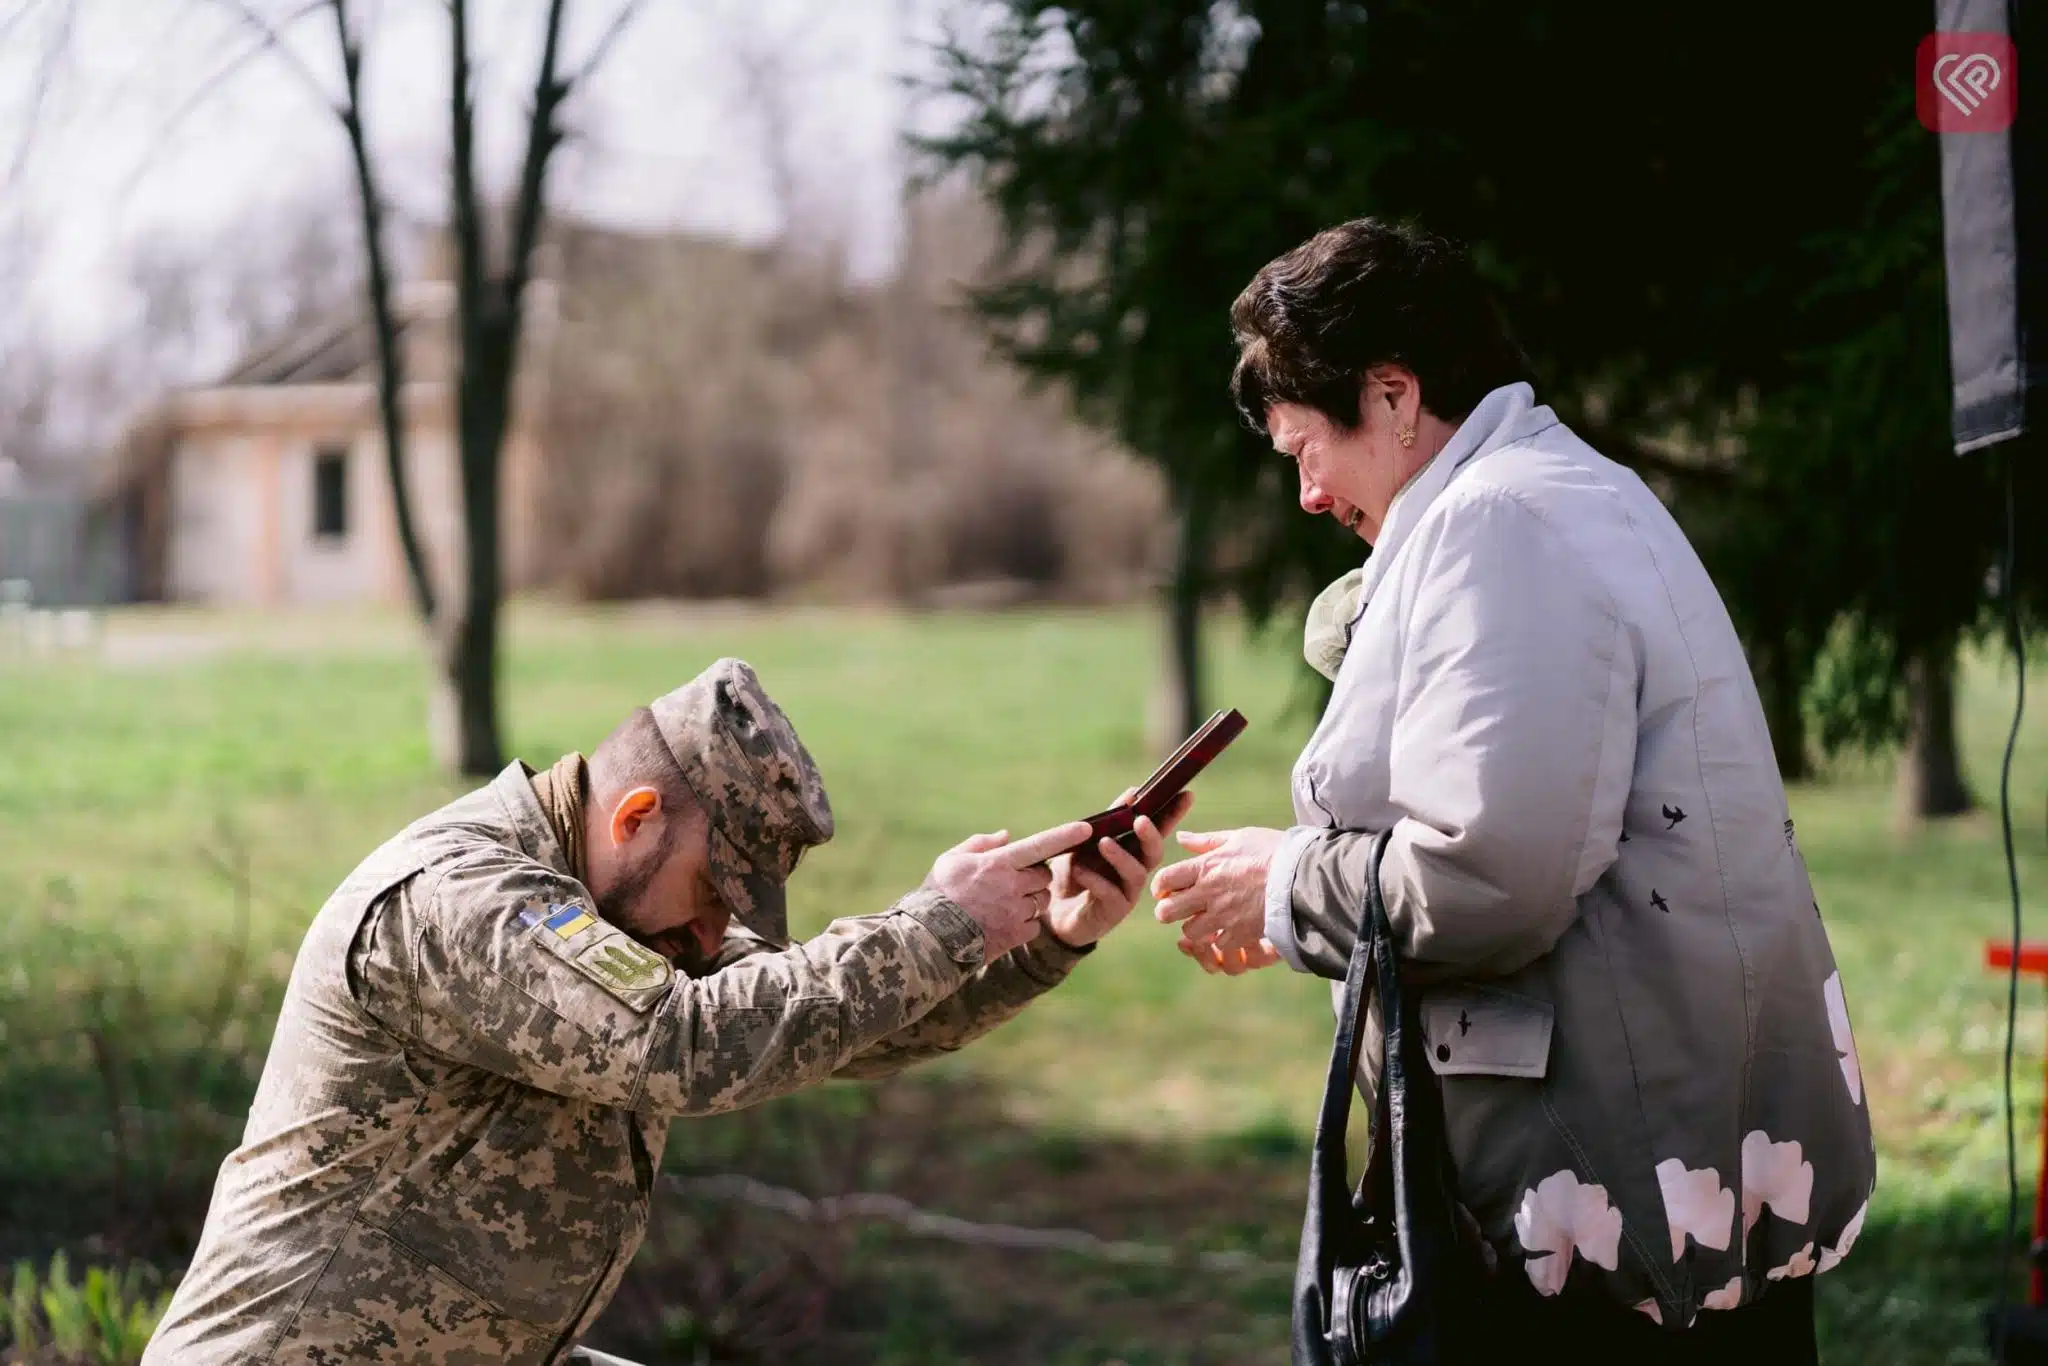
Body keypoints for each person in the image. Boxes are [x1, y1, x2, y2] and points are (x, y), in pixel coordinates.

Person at [1150, 219, 1874, 1358]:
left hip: (1594, 1242)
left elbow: (1490, 875)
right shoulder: (1571, 491)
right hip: (1668, 1192)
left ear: (1392, 396)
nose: (1305, 493)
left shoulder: (1501, 521)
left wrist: (1285, 886)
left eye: (1304, 450)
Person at [145, 657, 1187, 1366]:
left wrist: (1044, 936)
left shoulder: (624, 922)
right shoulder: (462, 900)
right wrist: (932, 926)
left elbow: (816, 1024)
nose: (707, 937)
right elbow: (685, 1043)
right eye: (710, 895)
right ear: (634, 817)